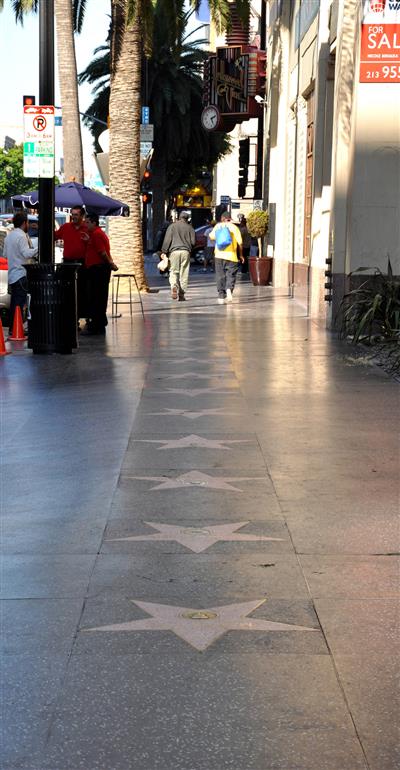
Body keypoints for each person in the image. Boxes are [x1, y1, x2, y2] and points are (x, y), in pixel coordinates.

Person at [84, 212, 118, 334]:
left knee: (97, 297)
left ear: (94, 223)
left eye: (87, 222)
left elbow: (102, 252)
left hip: (98, 269)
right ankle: (100, 322)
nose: (85, 225)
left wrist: (111, 264)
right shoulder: (95, 234)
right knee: (98, 296)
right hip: (98, 269)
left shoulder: (97, 234)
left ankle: (96, 325)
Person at [4, 212, 38, 331]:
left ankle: (13, 328)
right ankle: (16, 328)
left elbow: (5, 254)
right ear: (24, 223)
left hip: (12, 274)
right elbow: (26, 253)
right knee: (20, 303)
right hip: (21, 273)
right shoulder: (22, 236)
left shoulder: (9, 236)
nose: (28, 225)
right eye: (28, 222)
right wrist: (37, 249)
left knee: (15, 302)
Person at [54, 205, 89, 323]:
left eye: (76, 215)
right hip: (68, 264)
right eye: (72, 214)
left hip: (82, 264)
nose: (73, 217)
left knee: (81, 291)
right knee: (68, 292)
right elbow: (53, 236)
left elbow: (95, 245)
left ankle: (80, 316)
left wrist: (89, 241)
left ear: (82, 216)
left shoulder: (87, 228)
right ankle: (71, 318)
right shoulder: (66, 227)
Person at [209, 212, 244, 304]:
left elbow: (211, 237)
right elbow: (240, 243)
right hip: (232, 255)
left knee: (220, 275)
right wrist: (241, 255)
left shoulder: (218, 226)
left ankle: (221, 295)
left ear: (222, 218)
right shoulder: (234, 228)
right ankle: (229, 289)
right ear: (230, 218)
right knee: (231, 274)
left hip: (219, 255)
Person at [161, 211, 195, 301]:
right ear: (187, 219)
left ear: (179, 217)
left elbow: (167, 240)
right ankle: (182, 294)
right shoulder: (190, 228)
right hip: (185, 252)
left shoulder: (172, 226)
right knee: (184, 273)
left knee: (173, 271)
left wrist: (164, 251)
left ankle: (174, 286)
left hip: (174, 252)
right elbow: (193, 242)